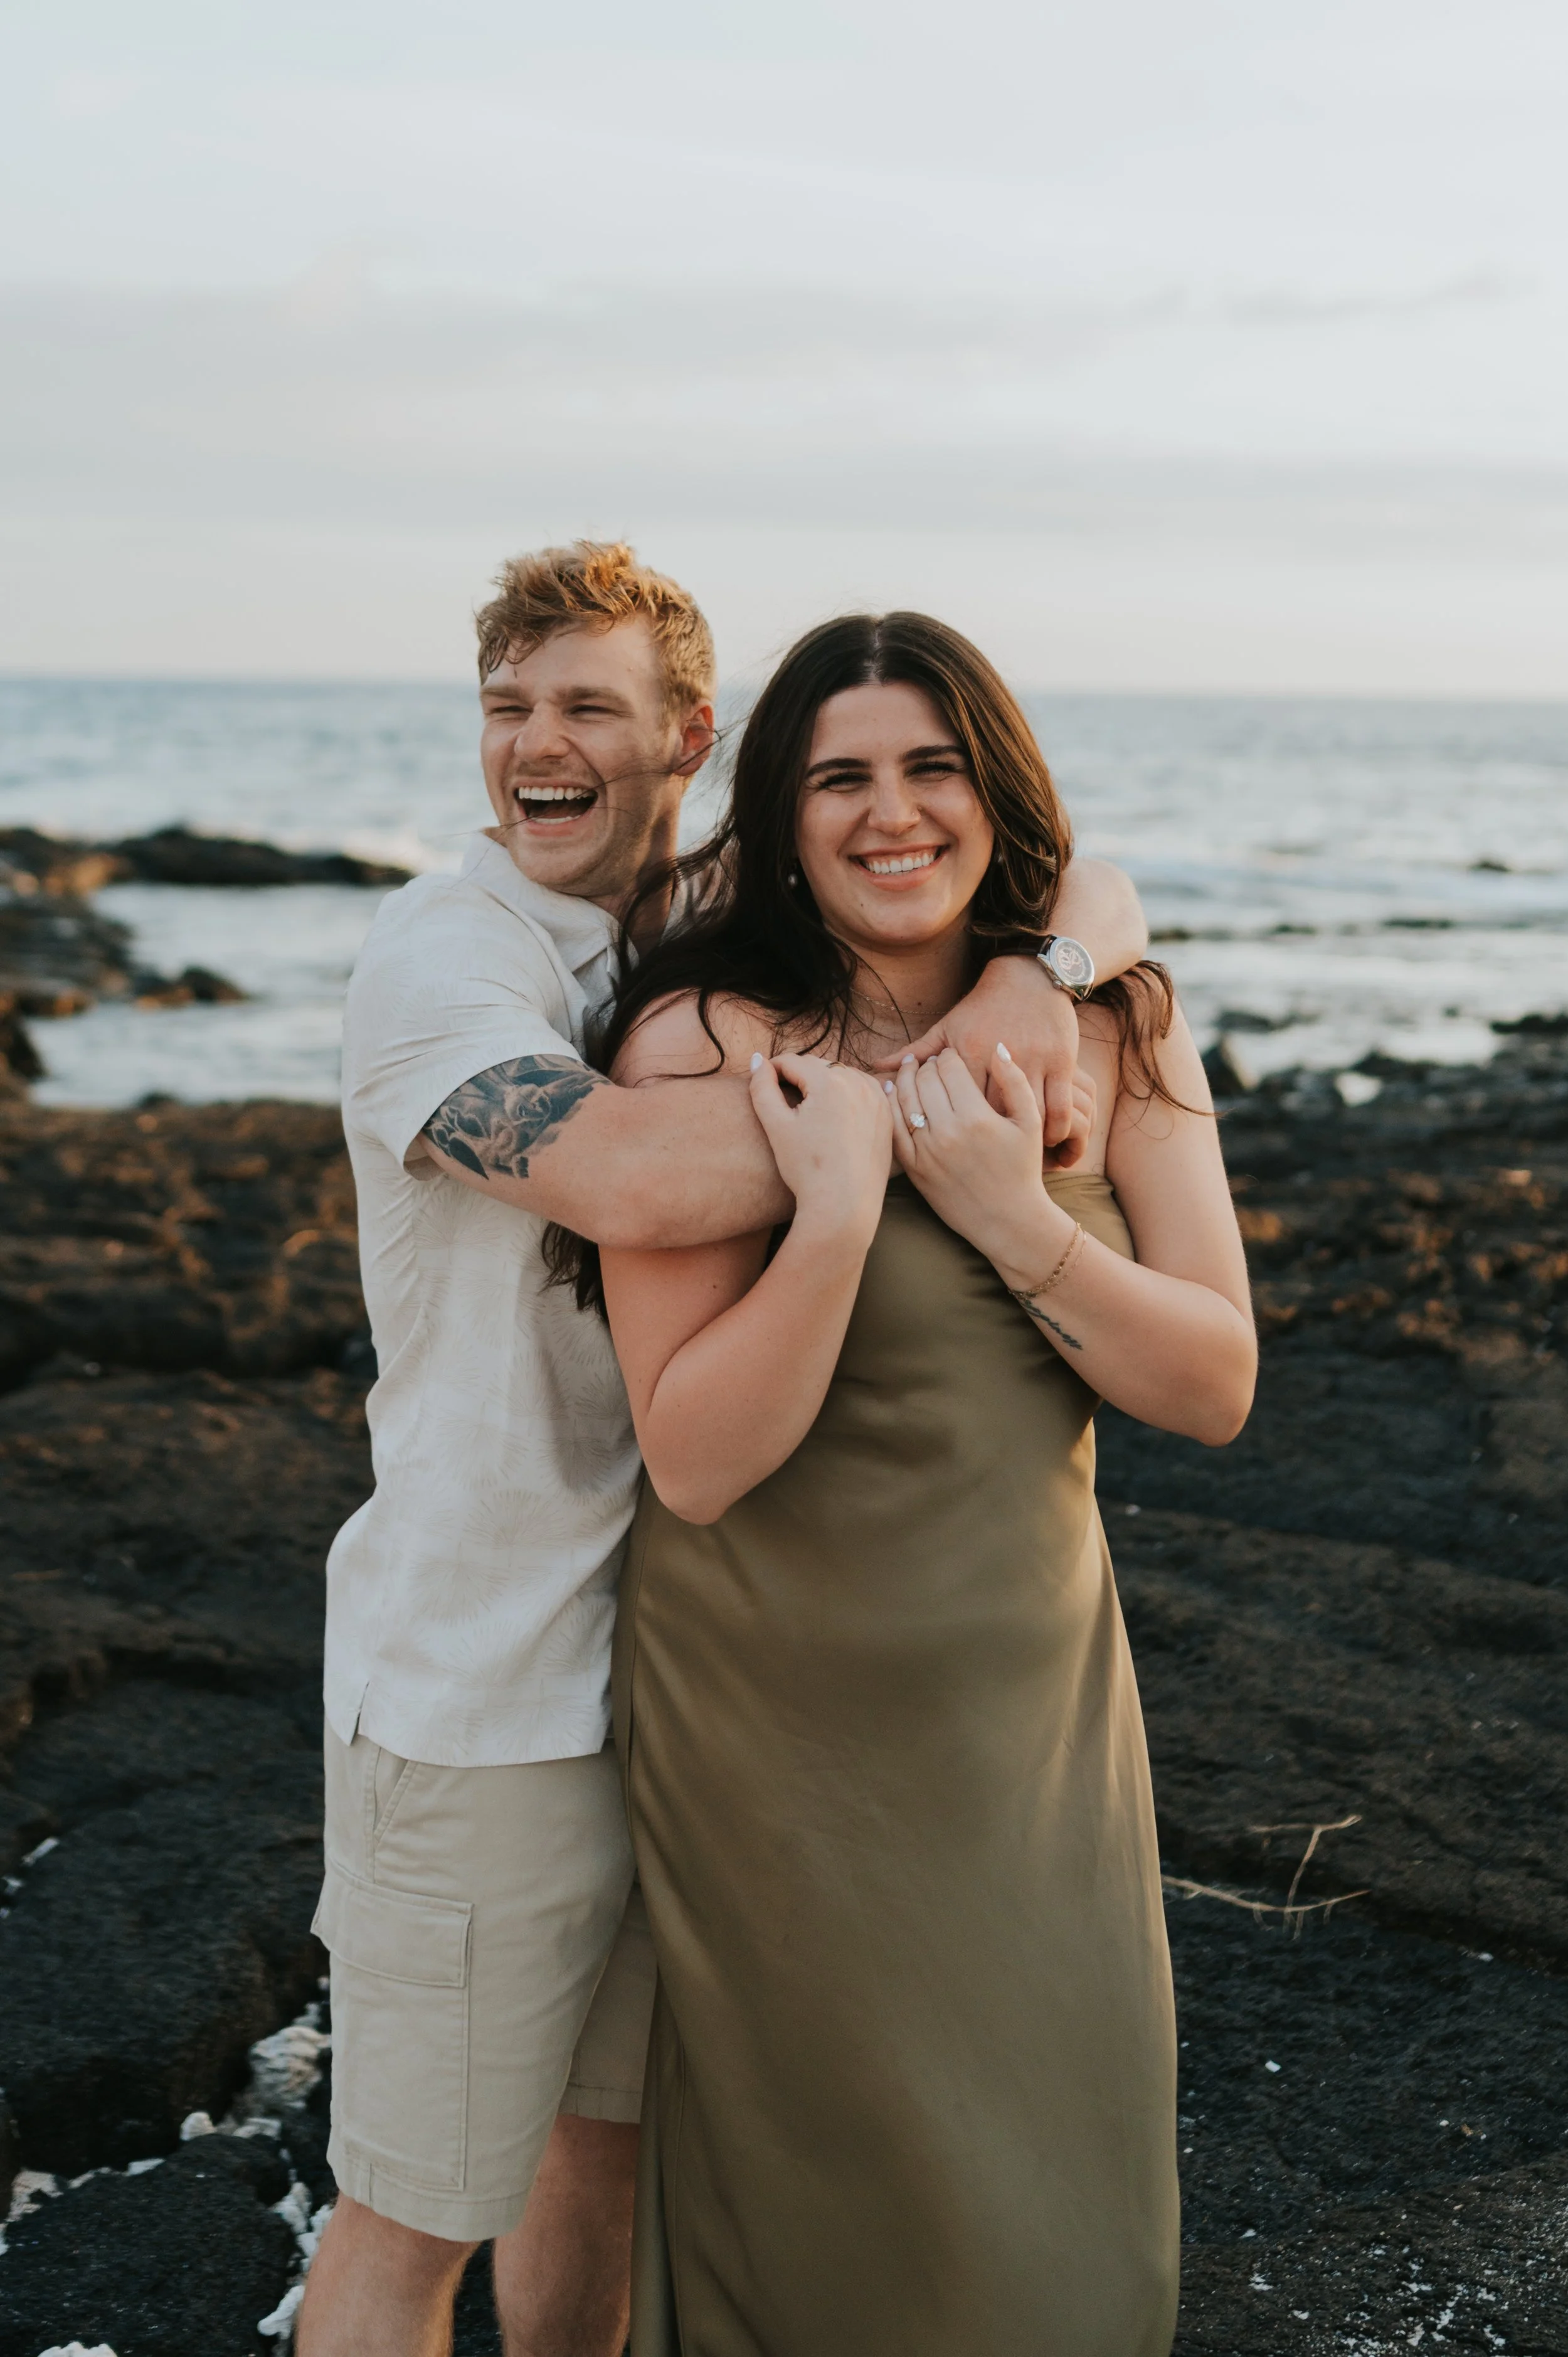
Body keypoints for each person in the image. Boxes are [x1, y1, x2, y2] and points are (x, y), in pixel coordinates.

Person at [298, 546, 1152, 2357]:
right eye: (509, 707)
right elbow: (619, 1172)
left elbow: (1089, 873)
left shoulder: (679, 914)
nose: (540, 745)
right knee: (412, 2212)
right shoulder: (440, 957)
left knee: (598, 2160)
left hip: (692, 1681)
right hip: (482, 1691)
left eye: (587, 707)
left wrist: (1026, 990)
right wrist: (914, 1123)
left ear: (687, 738)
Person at [584, 611, 1257, 2356]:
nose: (893, 813)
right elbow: (697, 1455)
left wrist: (1011, 1214)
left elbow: (1212, 1377)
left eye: (932, 765)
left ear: (993, 787)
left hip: (1025, 1706)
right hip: (770, 1713)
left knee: (1058, 2219)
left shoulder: (1112, 1031)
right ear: (783, 819)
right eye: (841, 777)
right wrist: (831, 1206)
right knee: (817, 2207)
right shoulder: (701, 1041)